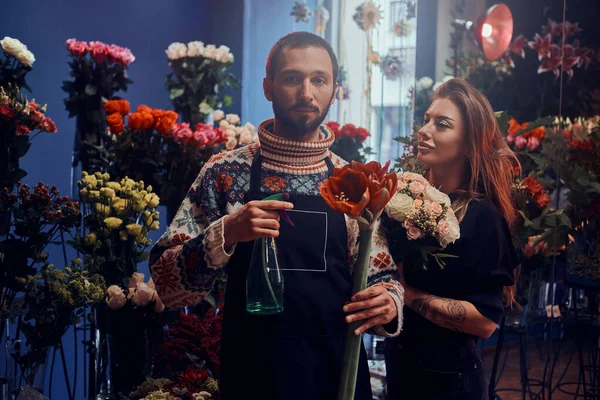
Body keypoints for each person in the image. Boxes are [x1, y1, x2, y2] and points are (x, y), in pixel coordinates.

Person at [150, 31, 404, 400]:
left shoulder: (353, 181)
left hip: (337, 377)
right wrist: (228, 231)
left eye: (319, 80)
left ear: (335, 90)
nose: (306, 92)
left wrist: (389, 301)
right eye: (292, 78)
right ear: (268, 87)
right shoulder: (225, 172)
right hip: (253, 374)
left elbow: (383, 276)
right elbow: (167, 283)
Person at [382, 78, 520, 400]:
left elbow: (485, 322)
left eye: (442, 124)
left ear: (470, 144)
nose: (425, 130)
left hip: (448, 380)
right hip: (401, 365)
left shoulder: (482, 217)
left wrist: (405, 294)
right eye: (427, 119)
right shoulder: (404, 198)